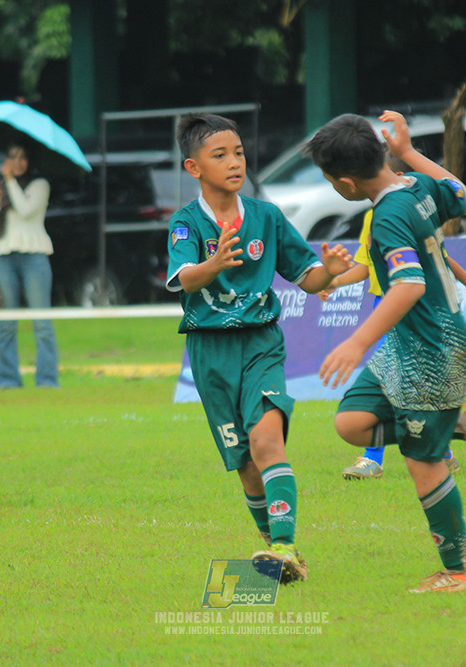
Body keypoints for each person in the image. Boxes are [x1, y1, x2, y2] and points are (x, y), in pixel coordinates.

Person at [165, 113, 353, 584]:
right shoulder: (186, 223)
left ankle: (286, 546)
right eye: (220, 155)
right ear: (194, 168)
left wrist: (328, 270)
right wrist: (212, 264)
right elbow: (183, 279)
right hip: (210, 354)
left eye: (239, 153)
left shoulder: (267, 217)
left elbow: (307, 278)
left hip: (260, 344)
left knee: (267, 441)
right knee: (246, 467)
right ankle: (280, 556)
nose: (235, 163)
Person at [308, 111, 466, 593]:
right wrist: (409, 154)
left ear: (345, 181)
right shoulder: (415, 185)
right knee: (351, 423)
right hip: (409, 344)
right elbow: (463, 196)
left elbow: (407, 285)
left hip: (431, 349)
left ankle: (463, 571)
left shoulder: (386, 216)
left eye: (329, 181)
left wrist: (356, 340)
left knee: (421, 461)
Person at [323, 151, 466, 488]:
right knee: (362, 414)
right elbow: (368, 265)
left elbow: (418, 275)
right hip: (390, 314)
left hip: (419, 323)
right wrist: (332, 281)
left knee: (404, 428)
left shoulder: (398, 207)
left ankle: (382, 457)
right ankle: (455, 434)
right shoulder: (380, 214)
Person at [0, 142, 59, 389]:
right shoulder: (1, 188)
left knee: (41, 322)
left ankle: (47, 380)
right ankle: (8, 380)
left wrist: (9, 182)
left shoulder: (39, 185)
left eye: (22, 157)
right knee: (7, 321)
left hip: (34, 256)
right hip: (4, 256)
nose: (17, 162)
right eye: (12, 157)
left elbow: (26, 210)